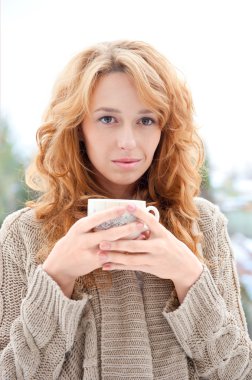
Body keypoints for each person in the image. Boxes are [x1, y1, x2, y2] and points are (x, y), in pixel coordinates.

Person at [0, 40, 251, 380]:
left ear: (166, 129)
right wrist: (56, 277)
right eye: (107, 119)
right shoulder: (25, 233)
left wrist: (189, 278)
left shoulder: (202, 224)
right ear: (78, 129)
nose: (128, 141)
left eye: (146, 120)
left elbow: (238, 373)